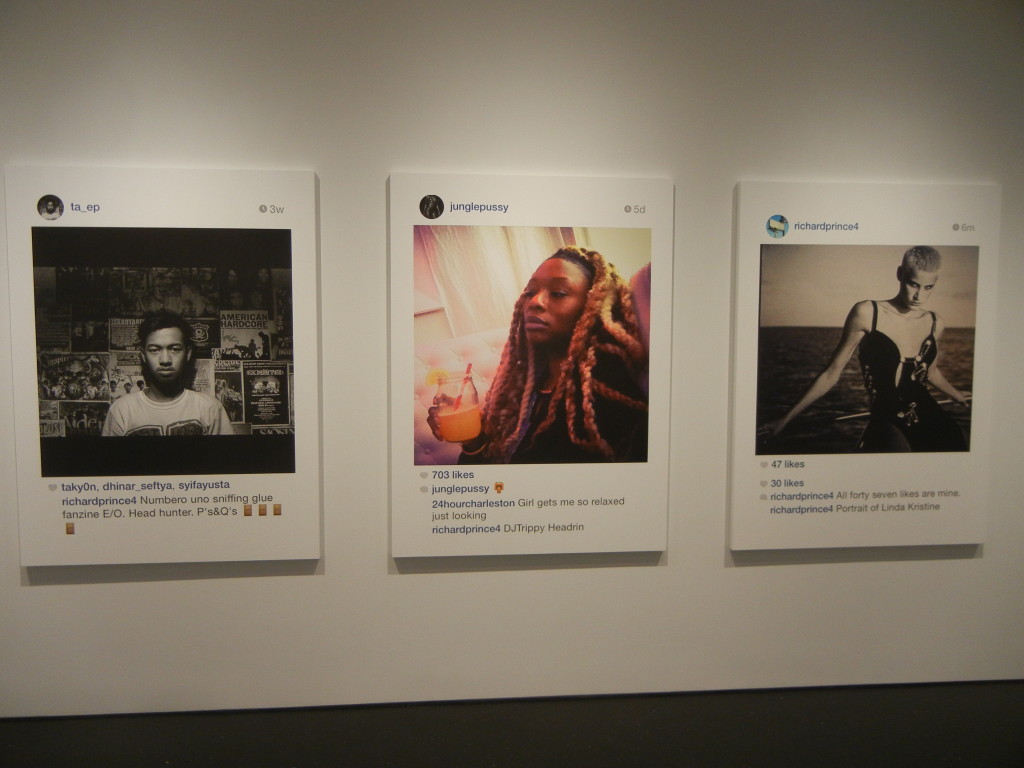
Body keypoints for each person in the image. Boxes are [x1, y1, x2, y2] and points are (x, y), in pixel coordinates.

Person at [428, 246, 648, 463]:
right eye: (530, 292)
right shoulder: (520, 388)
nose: (534, 302)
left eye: (558, 293)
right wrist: (473, 442)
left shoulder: (604, 390)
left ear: (592, 305)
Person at [761, 246, 968, 452]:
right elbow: (831, 373)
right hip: (887, 419)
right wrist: (785, 419)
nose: (918, 296)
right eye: (913, 284)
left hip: (931, 416)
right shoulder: (868, 313)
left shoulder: (934, 322)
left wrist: (956, 394)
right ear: (900, 274)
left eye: (928, 287)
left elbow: (930, 372)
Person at [102, 310, 233, 436]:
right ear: (143, 355)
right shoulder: (122, 410)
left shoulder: (210, 408)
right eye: (154, 350)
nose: (165, 360)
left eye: (175, 349)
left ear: (188, 353)